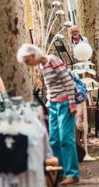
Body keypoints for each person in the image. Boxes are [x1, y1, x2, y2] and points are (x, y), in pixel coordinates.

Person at [17, 44, 79, 185]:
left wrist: (72, 104)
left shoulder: (53, 60)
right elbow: (51, 87)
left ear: (33, 55)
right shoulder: (42, 66)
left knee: (66, 139)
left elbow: (68, 82)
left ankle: (72, 173)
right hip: (53, 105)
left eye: (27, 61)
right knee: (54, 140)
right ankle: (59, 171)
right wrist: (48, 105)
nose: (28, 64)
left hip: (65, 104)